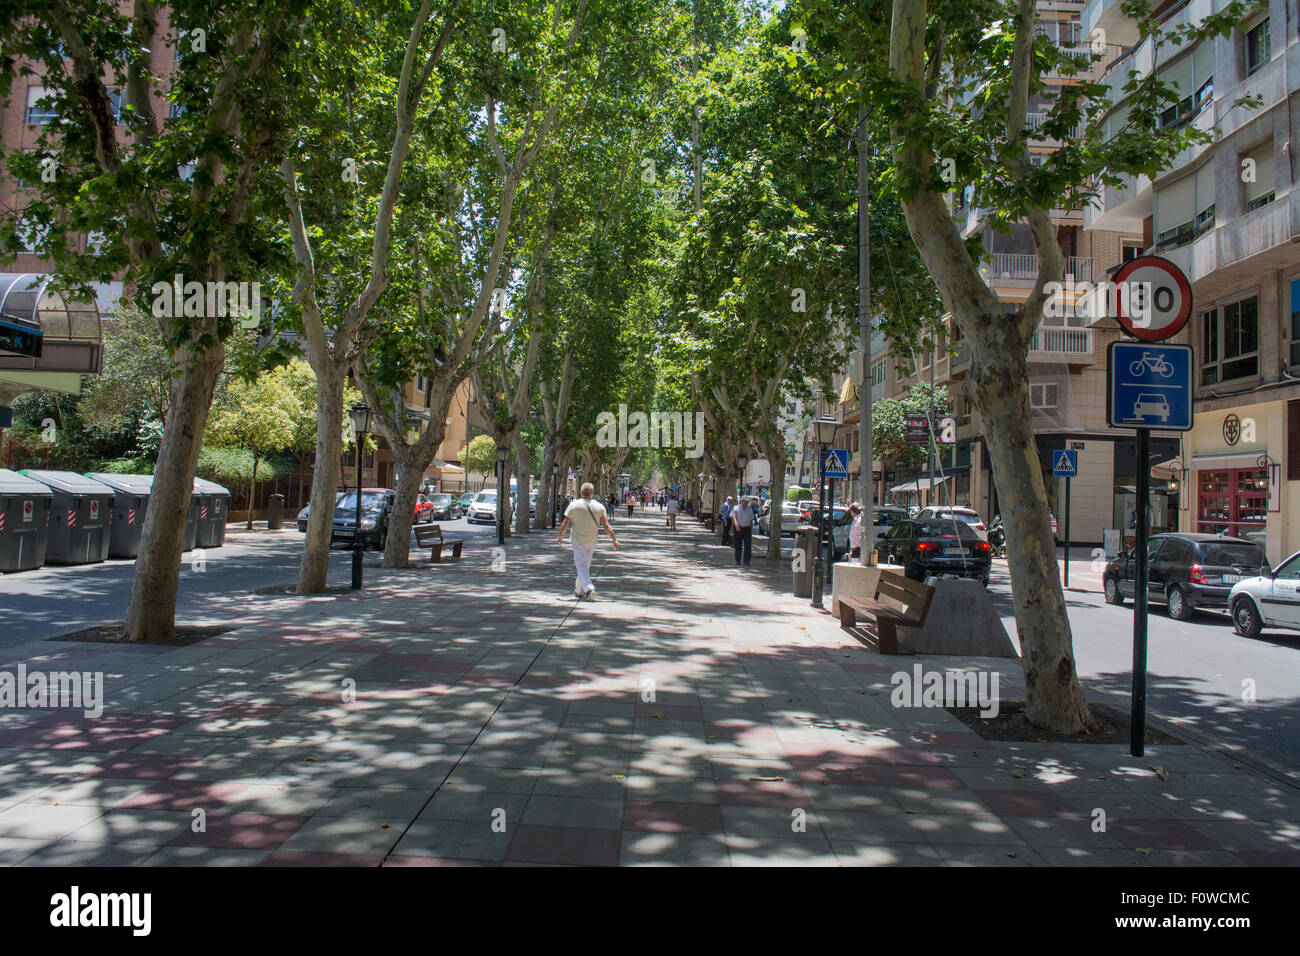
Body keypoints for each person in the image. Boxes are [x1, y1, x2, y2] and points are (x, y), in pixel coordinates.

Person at [557, 482, 620, 599]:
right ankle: (578, 591)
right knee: (585, 566)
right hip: (592, 540)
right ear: (592, 493)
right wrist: (614, 539)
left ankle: (589, 589)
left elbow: (565, 523)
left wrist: (560, 536)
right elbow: (606, 525)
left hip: (578, 540)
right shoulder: (599, 507)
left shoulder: (574, 505)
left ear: (581, 492)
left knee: (581, 565)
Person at [732, 496, 755, 566]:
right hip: (738, 528)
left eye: (747, 502)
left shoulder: (749, 509)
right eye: (745, 502)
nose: (746, 503)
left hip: (747, 529)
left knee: (748, 545)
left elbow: (751, 520)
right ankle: (738, 560)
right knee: (738, 545)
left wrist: (750, 530)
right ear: (742, 501)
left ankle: (746, 561)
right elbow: (734, 518)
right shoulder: (736, 508)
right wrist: (736, 526)